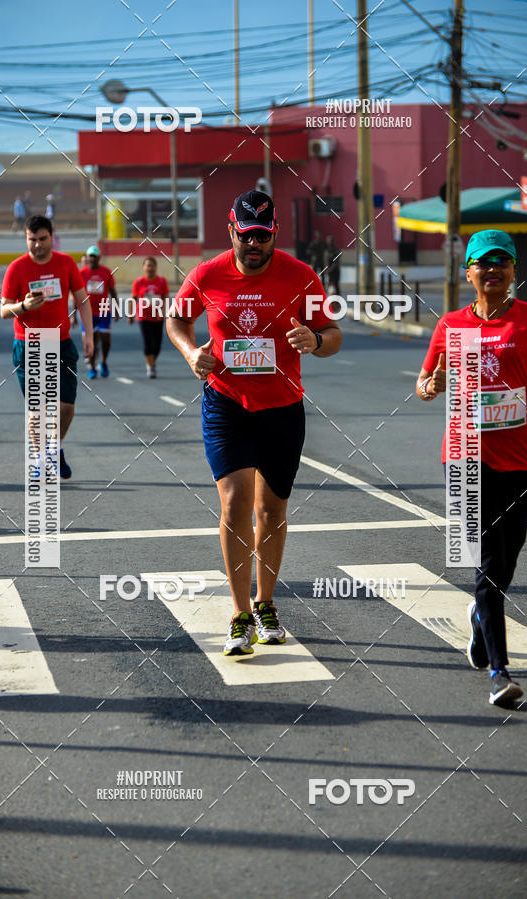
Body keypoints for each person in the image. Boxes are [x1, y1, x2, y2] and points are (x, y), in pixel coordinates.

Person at [167, 189, 342, 656]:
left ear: (275, 234)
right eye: (247, 236)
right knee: (235, 503)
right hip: (226, 404)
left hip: (283, 408)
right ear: (232, 232)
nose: (255, 245)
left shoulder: (301, 276)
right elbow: (176, 320)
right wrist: (191, 353)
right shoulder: (208, 273)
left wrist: (314, 339)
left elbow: (333, 335)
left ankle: (267, 605)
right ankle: (240, 614)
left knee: (272, 512)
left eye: (263, 237)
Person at [416, 229, 527, 706]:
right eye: (483, 263)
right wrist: (430, 385)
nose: (493, 270)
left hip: (523, 459)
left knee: (507, 559)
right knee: (488, 567)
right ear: (467, 271)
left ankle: (480, 619)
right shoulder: (451, 325)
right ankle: (500, 671)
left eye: (503, 262)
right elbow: (425, 381)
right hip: (465, 457)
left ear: (514, 270)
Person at [0, 215, 93, 480]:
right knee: (37, 409)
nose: (38, 245)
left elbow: (83, 300)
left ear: (52, 236)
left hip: (60, 343)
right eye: (32, 239)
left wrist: (88, 335)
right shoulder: (16, 268)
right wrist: (24, 306)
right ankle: (40, 460)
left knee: (66, 407)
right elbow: (4, 310)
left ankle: (55, 447)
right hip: (27, 345)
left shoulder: (65, 263)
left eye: (42, 239)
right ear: (26, 238)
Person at [79, 245, 118, 378]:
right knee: (91, 341)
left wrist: (117, 309)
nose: (93, 259)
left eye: (95, 256)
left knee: (106, 340)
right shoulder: (81, 274)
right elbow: (76, 294)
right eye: (91, 256)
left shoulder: (106, 272)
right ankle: (92, 367)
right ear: (87, 258)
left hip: (103, 311)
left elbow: (113, 292)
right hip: (87, 313)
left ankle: (103, 362)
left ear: (99, 258)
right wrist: (73, 316)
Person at [131, 257, 169, 378]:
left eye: (152, 265)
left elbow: (166, 298)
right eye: (148, 265)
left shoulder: (161, 281)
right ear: (144, 267)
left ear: (155, 267)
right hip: (143, 316)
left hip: (157, 317)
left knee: (157, 344)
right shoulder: (139, 282)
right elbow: (133, 299)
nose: (150, 268)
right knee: (148, 342)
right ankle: (151, 367)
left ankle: (152, 361)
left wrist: (162, 312)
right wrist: (130, 314)